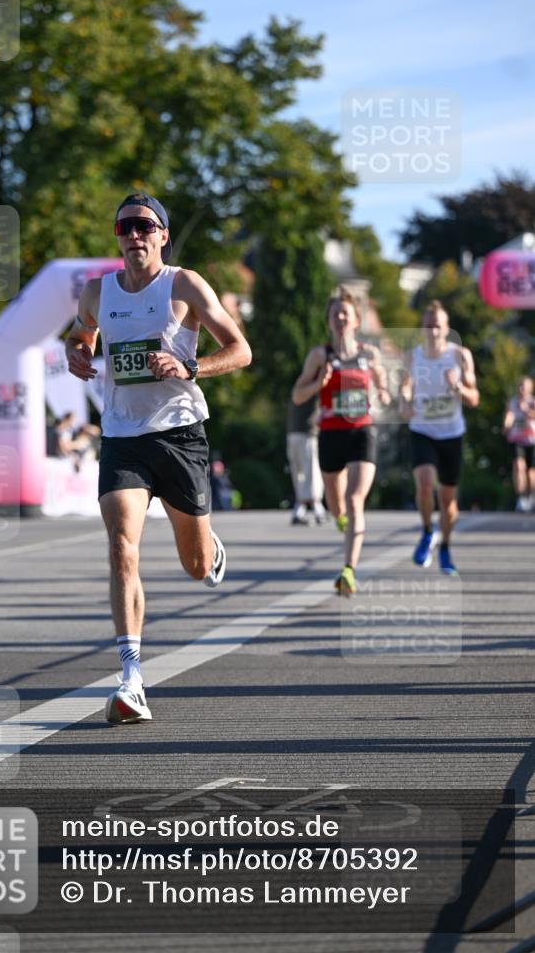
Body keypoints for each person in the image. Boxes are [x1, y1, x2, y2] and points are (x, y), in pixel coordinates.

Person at [65, 192, 251, 724]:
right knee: (123, 545)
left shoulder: (184, 285)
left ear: (163, 235)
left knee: (195, 568)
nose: (135, 235)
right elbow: (81, 335)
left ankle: (206, 544)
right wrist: (76, 353)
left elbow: (240, 349)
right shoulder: (97, 292)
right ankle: (131, 679)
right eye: (125, 226)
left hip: (180, 435)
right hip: (124, 436)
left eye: (145, 226)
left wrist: (191, 368)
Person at [291, 289, 390, 596]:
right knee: (337, 507)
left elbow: (385, 391)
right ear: (329, 322)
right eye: (335, 314)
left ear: (357, 320)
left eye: (345, 313)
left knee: (354, 499)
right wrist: (318, 383)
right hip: (331, 433)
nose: (340, 318)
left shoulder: (370, 355)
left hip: (361, 431)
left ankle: (348, 569)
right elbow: (297, 395)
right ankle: (342, 522)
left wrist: (381, 395)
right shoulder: (320, 356)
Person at [399, 300, 479, 575]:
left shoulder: (460, 356)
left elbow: (474, 398)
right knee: (423, 483)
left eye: (438, 326)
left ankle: (444, 545)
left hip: (451, 433)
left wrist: (456, 386)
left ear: (447, 329)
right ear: (422, 328)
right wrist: (405, 403)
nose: (433, 331)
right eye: (428, 326)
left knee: (448, 501)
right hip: (422, 430)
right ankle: (425, 531)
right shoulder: (412, 356)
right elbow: (405, 389)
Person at [286, 395, 325, 525]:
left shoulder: (300, 385)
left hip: (295, 434)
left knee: (301, 473)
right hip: (306, 434)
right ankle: (316, 508)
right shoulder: (314, 386)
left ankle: (300, 509)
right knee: (310, 472)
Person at [503, 375, 535, 512]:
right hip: (516, 439)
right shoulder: (512, 401)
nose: (522, 388)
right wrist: (506, 424)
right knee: (518, 466)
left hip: (531, 439)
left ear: (530, 388)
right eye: (520, 385)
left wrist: (526, 410)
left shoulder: (532, 402)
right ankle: (520, 498)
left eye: (525, 386)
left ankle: (531, 496)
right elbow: (509, 415)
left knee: (530, 472)